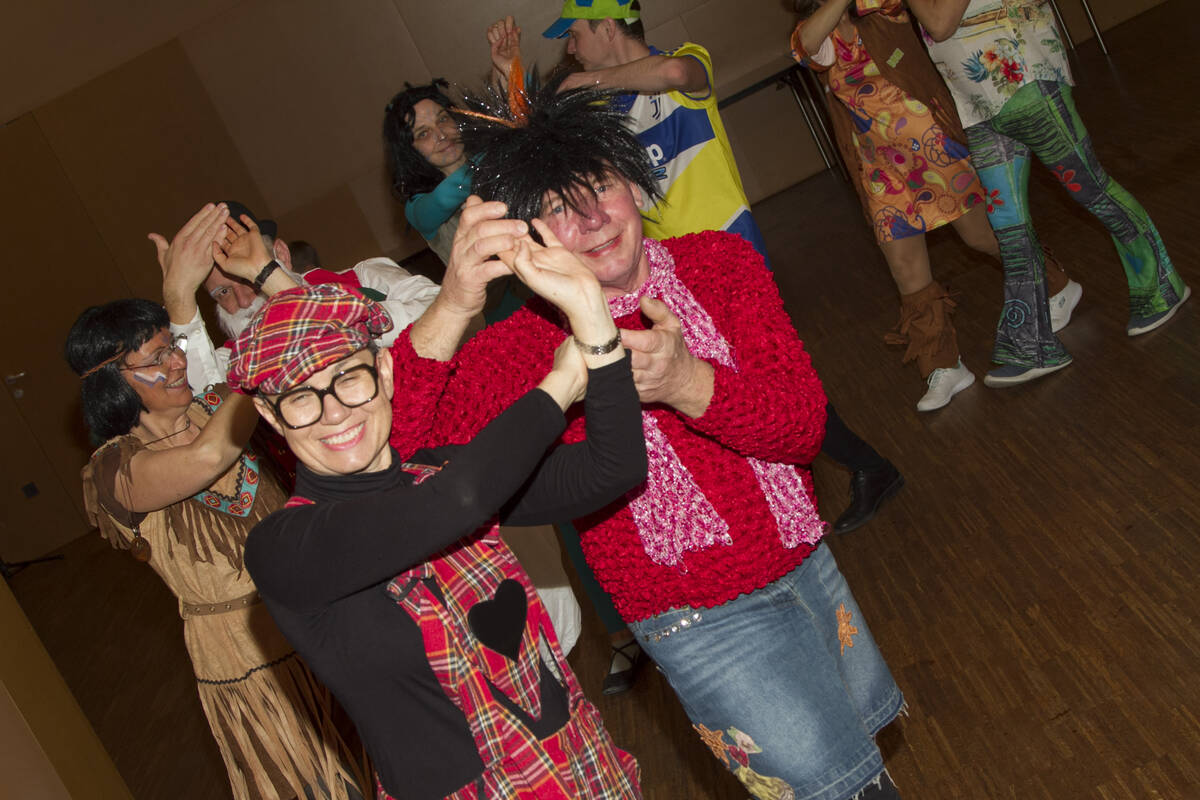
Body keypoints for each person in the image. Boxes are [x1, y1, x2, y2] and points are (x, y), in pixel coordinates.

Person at [401, 77, 904, 800]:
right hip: (697, 614)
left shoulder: (719, 264)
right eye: (555, 208)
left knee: (865, 762)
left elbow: (802, 427)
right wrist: (453, 302)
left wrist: (689, 382)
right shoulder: (523, 346)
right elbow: (404, 452)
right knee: (838, 789)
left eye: (600, 185)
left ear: (634, 184)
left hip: (807, 561)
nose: (590, 219)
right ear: (529, 237)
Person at [221, 212, 646, 798]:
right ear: (271, 417)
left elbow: (612, 469)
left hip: (576, 765)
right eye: (300, 398)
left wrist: (595, 325)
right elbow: (457, 503)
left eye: (349, 377)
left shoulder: (439, 472)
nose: (334, 412)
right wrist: (561, 385)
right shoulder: (285, 547)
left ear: (384, 371)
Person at [539, 0, 905, 530]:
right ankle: (809, 490)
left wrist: (585, 83)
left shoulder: (686, 61)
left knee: (763, 379)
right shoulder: (602, 114)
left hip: (729, 253)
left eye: (574, 35)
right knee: (734, 387)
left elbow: (672, 74)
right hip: (669, 275)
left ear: (607, 26)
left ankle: (858, 471)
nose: (571, 51)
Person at [69, 203, 368, 800]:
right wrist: (192, 309)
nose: (177, 360)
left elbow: (326, 342)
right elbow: (209, 458)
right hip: (249, 664)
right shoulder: (113, 471)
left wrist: (253, 284)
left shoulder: (215, 405)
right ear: (111, 381)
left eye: (172, 346)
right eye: (156, 357)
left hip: (319, 622)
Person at [791, 0, 1062, 408]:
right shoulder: (816, 33)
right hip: (883, 171)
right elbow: (806, 47)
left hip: (935, 151)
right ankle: (943, 365)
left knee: (982, 237)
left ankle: (1056, 287)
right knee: (905, 268)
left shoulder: (880, 10)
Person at [913, 0, 1189, 383]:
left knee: (1089, 186)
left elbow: (939, 22)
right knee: (1007, 223)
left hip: (1024, 79)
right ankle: (1030, 344)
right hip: (976, 101)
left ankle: (1162, 285)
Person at [159, 200, 439, 392]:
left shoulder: (366, 277)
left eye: (247, 278)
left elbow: (442, 312)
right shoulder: (235, 360)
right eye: (223, 292)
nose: (243, 301)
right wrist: (178, 298)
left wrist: (272, 281)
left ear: (281, 255)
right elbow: (206, 396)